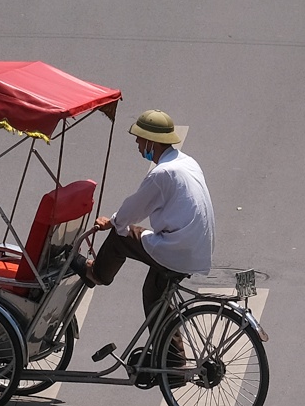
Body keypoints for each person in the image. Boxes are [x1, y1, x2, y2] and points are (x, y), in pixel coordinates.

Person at [74, 111, 215, 335]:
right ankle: (171, 363)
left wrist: (111, 222)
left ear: (152, 141)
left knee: (121, 236)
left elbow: (134, 209)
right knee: (154, 295)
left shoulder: (163, 173)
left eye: (140, 140)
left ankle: (97, 274)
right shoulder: (186, 162)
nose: (138, 145)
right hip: (193, 247)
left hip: (178, 248)